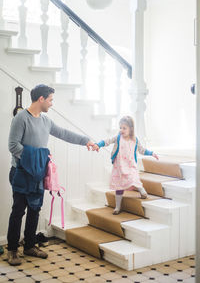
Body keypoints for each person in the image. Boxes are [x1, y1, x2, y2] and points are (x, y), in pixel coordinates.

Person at [7, 84, 95, 266]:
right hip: (21, 173)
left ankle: (30, 246)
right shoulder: (21, 118)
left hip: (38, 174)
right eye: (50, 99)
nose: (52, 103)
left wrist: (85, 140)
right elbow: (13, 146)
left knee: (35, 210)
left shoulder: (46, 121)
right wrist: (37, 159)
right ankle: (13, 250)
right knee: (18, 211)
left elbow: (63, 133)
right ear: (41, 99)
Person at [93, 116, 159, 215]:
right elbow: (107, 141)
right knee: (119, 187)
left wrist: (152, 153)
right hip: (119, 167)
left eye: (124, 128)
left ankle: (142, 190)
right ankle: (118, 207)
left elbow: (142, 150)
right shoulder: (118, 137)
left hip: (130, 165)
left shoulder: (135, 139)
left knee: (133, 178)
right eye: (120, 127)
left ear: (131, 129)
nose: (121, 130)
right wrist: (98, 144)